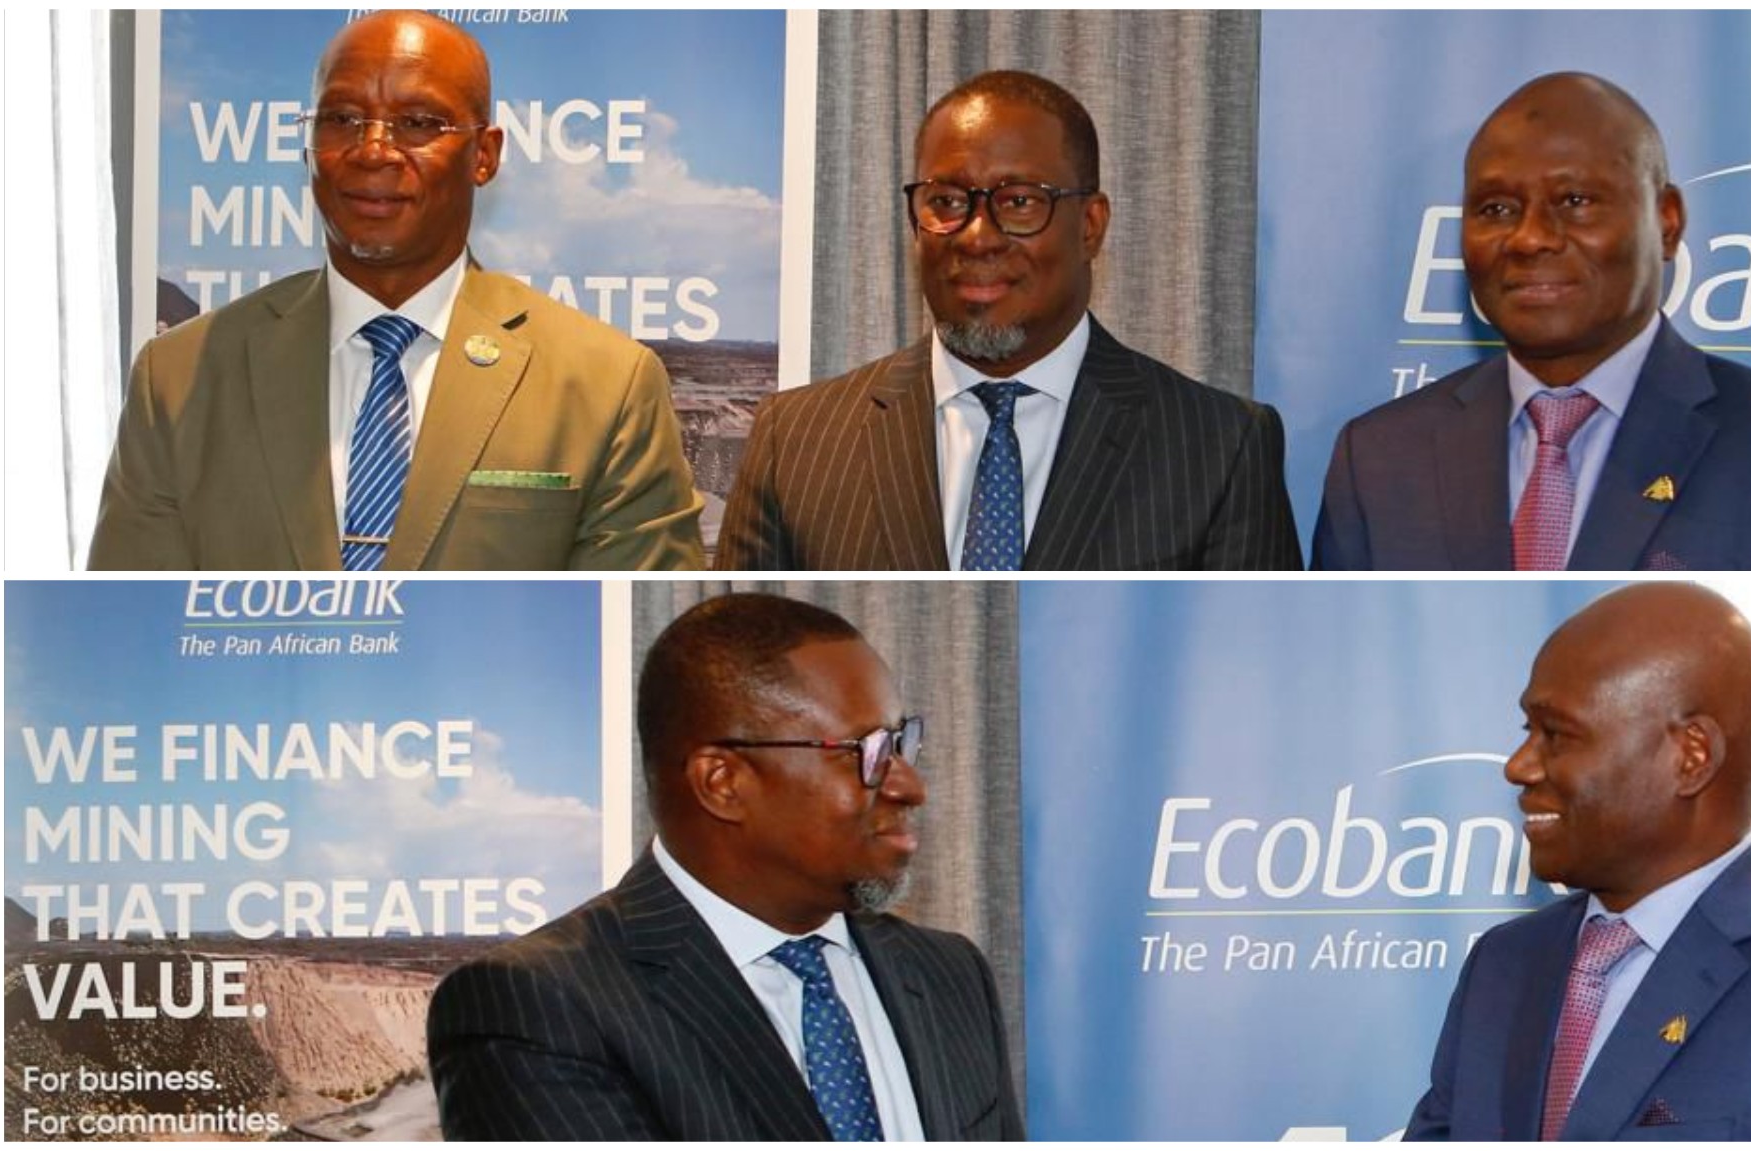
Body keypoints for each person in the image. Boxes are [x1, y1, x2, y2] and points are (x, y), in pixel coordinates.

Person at [90, 11, 704, 570]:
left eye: (417, 123)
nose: (373, 150)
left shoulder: (606, 386)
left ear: (484, 155)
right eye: (341, 119)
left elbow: (614, 626)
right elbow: (128, 621)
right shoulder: (179, 378)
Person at [427, 593, 1024, 1140]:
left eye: (901, 743)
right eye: (866, 752)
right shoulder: (538, 1008)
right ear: (723, 783)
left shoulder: (948, 974)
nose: (911, 787)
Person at [1406, 583, 1751, 1140]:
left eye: (1556, 735)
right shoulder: (1503, 965)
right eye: (1528, 731)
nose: (1518, 766)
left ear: (1691, 757)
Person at [717, 70, 1301, 571]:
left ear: (1090, 226)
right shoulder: (794, 439)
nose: (977, 236)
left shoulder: (1221, 448)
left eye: (1019, 201)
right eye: (946, 202)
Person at [1313, 73, 1751, 571]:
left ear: (1667, 223)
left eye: (1575, 201)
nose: (1530, 238)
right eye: (1496, 209)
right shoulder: (1379, 458)